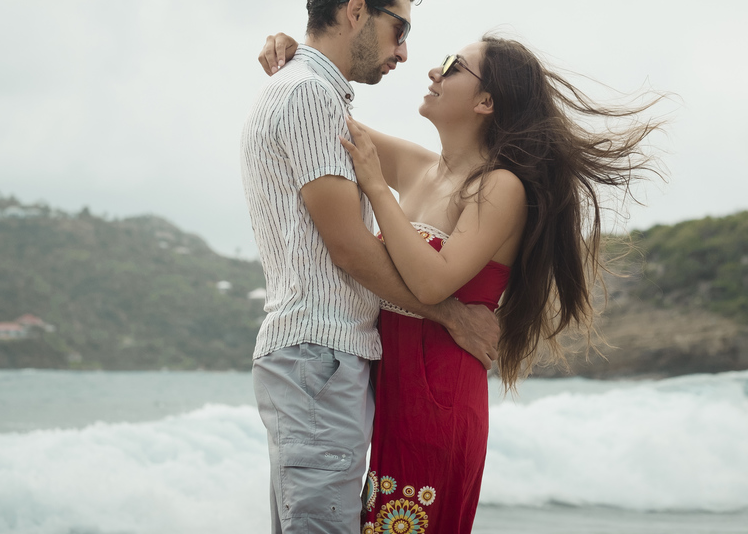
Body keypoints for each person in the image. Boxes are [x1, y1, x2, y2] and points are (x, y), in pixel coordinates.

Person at [259, 32, 661, 534]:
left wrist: (378, 188)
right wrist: (295, 57)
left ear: (485, 101)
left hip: (437, 395)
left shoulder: (500, 186)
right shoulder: (422, 167)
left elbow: (431, 282)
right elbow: (320, 117)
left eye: (452, 66)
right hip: (388, 390)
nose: (433, 71)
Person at [240, 0, 500, 534]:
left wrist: (291, 52)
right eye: (398, 29)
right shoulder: (309, 95)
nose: (405, 54)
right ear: (356, 11)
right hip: (319, 352)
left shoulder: (312, 92)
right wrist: (451, 316)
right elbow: (351, 247)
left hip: (322, 359)